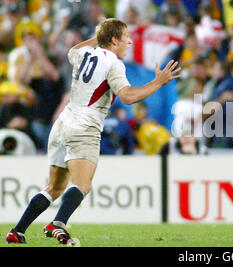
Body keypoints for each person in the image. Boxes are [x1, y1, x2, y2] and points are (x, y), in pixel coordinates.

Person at [6, 18, 181, 245]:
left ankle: (17, 231)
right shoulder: (114, 64)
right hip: (85, 125)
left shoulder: (85, 54)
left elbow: (73, 50)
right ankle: (58, 224)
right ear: (115, 40)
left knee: (53, 187)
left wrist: (99, 37)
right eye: (126, 37)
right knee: (82, 185)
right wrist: (158, 82)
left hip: (63, 122)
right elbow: (128, 97)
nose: (129, 42)